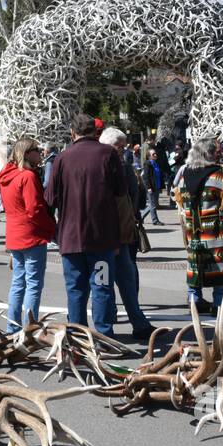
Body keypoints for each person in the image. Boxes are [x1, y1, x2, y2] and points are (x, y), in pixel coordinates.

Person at [45, 113, 125, 337]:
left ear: (73, 132)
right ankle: (104, 336)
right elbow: (121, 191)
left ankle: (77, 336)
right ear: (95, 131)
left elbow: (50, 198)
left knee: (75, 289)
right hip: (102, 236)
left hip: (71, 236)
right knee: (102, 288)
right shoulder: (108, 154)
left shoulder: (62, 158)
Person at [173, 137, 223, 315]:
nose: (220, 154)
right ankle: (219, 305)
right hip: (216, 233)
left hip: (193, 233)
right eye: (217, 151)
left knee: (195, 266)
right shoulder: (220, 178)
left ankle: (194, 301)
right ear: (209, 154)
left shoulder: (184, 176)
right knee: (221, 270)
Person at [99, 127, 154, 340]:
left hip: (120, 233)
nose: (123, 150)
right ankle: (121, 321)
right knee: (116, 279)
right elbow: (132, 194)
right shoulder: (119, 166)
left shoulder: (121, 164)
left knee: (121, 277)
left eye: (123, 146)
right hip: (114, 234)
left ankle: (125, 320)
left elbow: (134, 194)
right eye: (119, 146)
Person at [0, 137, 56, 332]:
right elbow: (35, 210)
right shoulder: (27, 176)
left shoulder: (6, 175)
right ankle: (29, 329)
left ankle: (12, 328)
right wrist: (52, 229)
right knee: (33, 285)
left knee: (18, 283)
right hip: (31, 234)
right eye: (37, 150)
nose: (40, 154)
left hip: (14, 234)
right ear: (27, 153)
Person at [141, 148, 164, 226]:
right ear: (149, 156)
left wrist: (161, 186)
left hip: (156, 186)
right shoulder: (148, 163)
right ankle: (155, 220)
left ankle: (141, 216)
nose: (155, 155)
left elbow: (159, 175)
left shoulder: (155, 163)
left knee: (153, 204)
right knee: (153, 205)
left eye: (155, 153)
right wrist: (148, 187)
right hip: (151, 187)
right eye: (153, 154)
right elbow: (146, 177)